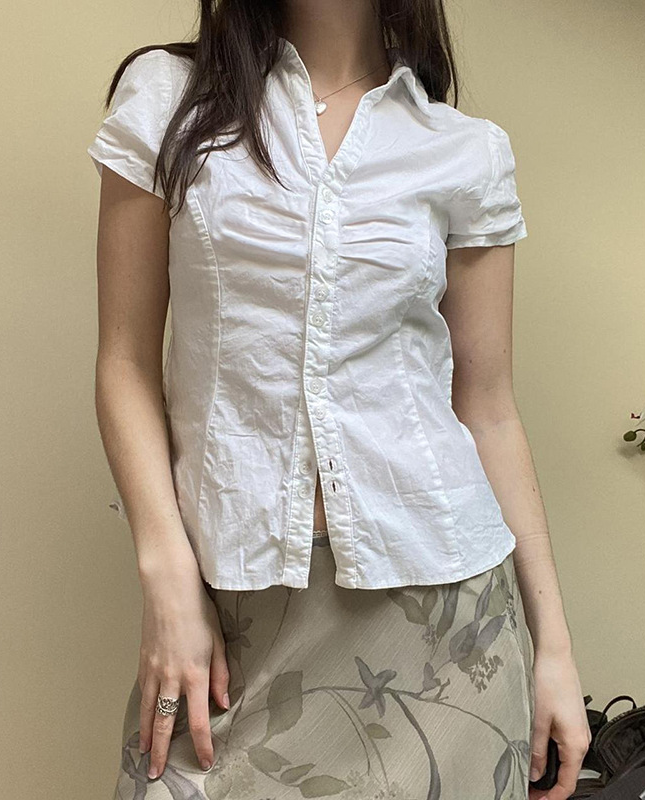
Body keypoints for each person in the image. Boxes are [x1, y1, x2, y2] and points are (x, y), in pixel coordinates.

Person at [87, 2, 591, 798]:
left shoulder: (464, 149)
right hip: (236, 611)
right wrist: (168, 578)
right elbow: (124, 363)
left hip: (446, 616)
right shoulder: (170, 98)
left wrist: (553, 647)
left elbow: (489, 408)